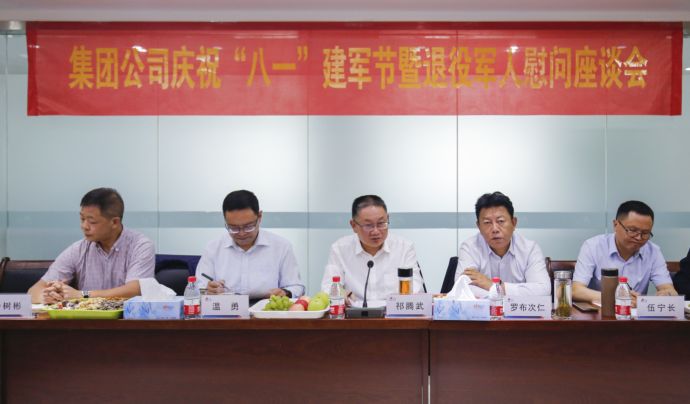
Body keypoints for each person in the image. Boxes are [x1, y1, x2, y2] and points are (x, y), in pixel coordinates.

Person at [29, 188, 155, 304]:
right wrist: (46, 297)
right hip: (86, 320)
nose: (84, 226)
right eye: (82, 219)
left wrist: (82, 295)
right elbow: (34, 290)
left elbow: (134, 290)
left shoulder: (140, 245)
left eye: (92, 221)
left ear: (115, 222)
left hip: (128, 319)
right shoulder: (78, 249)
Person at [195, 190, 304, 302]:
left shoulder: (281, 246)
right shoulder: (213, 248)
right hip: (225, 308)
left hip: (266, 308)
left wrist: (286, 293)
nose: (242, 233)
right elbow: (198, 287)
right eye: (233, 228)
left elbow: (296, 287)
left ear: (260, 217)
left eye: (248, 226)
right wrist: (207, 291)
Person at [321, 195, 423, 305]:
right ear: (354, 225)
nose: (376, 231)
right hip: (355, 313)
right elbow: (328, 287)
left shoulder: (404, 247)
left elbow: (416, 287)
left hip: (393, 312)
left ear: (388, 219)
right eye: (368, 225)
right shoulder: (340, 249)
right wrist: (342, 294)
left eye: (381, 223)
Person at [573, 200, 678, 307]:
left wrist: (665, 296)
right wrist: (616, 298)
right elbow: (576, 290)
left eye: (645, 233)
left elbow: (669, 290)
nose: (639, 238)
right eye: (632, 230)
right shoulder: (593, 246)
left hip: (636, 315)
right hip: (600, 313)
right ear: (615, 224)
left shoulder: (653, 251)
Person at [456, 191, 550, 296]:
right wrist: (509, 293)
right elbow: (462, 288)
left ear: (514, 223)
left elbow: (543, 290)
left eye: (500, 221)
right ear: (479, 226)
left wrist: (493, 286)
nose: (495, 229)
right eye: (487, 223)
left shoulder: (529, 249)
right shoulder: (470, 247)